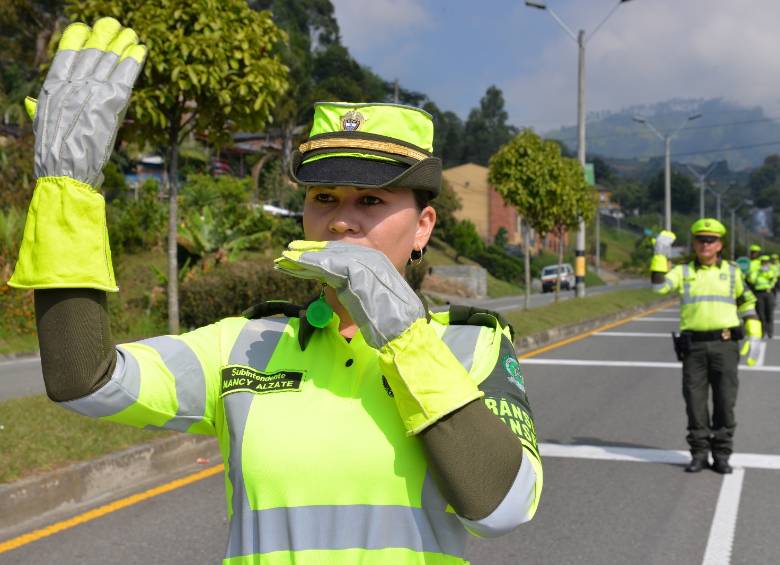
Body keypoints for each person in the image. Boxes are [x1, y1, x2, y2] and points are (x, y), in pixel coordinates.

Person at [8, 19, 543, 564]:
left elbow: (500, 509)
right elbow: (84, 380)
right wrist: (66, 192)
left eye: (372, 202)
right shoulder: (245, 346)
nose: (342, 222)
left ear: (424, 226)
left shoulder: (471, 349)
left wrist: (405, 335)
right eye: (325, 198)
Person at [650, 220, 761, 474]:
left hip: (725, 346)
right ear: (694, 243)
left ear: (720, 244)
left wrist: (754, 333)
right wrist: (659, 254)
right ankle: (699, 453)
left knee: (725, 401)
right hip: (694, 348)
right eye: (700, 239)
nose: (705, 244)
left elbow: (747, 302)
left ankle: (721, 454)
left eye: (710, 240)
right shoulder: (684, 271)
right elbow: (658, 287)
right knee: (694, 402)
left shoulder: (733, 272)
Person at [747, 255, 777, 339]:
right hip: (759, 293)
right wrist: (758, 272)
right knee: (761, 314)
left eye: (766, 262)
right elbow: (751, 280)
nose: (765, 264)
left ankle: (770, 332)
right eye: (763, 262)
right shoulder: (756, 271)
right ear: (761, 263)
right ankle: (762, 332)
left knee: (769, 313)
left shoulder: (771, 270)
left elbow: (773, 278)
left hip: (768, 293)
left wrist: (766, 272)